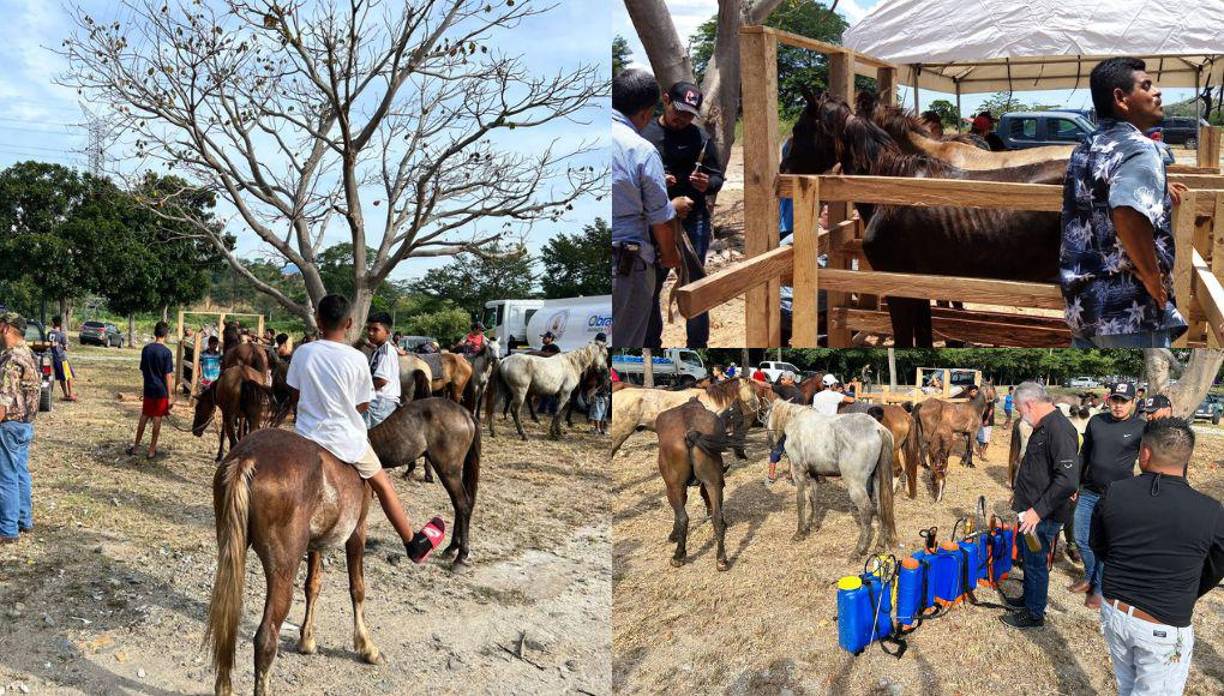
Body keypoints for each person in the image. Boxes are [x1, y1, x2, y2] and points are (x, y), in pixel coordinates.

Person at [286, 295, 441, 563]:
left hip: (306, 437)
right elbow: (363, 404)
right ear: (348, 323)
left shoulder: (303, 352)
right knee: (383, 485)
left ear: (318, 321)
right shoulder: (357, 358)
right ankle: (412, 543)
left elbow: (294, 394)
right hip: (346, 440)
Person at [1091, 417, 1224, 696]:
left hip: (1115, 611)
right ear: (1186, 458)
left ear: (1145, 453)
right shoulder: (1211, 512)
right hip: (1162, 624)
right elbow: (1217, 565)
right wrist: (1185, 590)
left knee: (1127, 685)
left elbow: (1099, 546)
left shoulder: (1114, 492)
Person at [1062, 58, 1189, 348]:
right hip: (1130, 308)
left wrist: (1155, 186)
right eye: (1146, 86)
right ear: (1121, 99)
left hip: (1085, 307)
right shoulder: (1141, 149)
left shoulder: (1087, 147)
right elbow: (1127, 212)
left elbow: (1100, 191)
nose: (1157, 92)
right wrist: (1153, 278)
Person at [612, 68, 692, 347]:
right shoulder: (640, 149)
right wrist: (671, 256)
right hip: (627, 262)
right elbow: (660, 218)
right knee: (626, 342)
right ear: (648, 112)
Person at [641, 81, 724, 348]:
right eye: (679, 112)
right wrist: (655, 181)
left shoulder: (700, 138)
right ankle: (651, 343)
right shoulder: (645, 135)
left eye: (689, 114)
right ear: (665, 100)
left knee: (696, 284)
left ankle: (697, 345)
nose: (683, 119)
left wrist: (707, 184)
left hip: (694, 219)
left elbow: (717, 177)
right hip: (656, 220)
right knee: (652, 285)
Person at [1002, 382, 1081, 629]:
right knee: (1029, 558)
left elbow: (1067, 480)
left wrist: (1036, 511)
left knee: (1036, 562)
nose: (1017, 413)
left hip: (1043, 514)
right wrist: (1020, 496)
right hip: (1032, 509)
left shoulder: (1058, 429)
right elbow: (1038, 469)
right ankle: (1029, 598)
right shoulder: (1044, 426)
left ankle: (1034, 613)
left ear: (1029, 404)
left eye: (1017, 408)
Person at [1069, 381, 1143, 609]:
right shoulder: (1096, 421)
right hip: (1090, 490)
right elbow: (1084, 455)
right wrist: (1075, 483)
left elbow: (1151, 459)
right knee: (1081, 538)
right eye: (1115, 400)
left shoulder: (1141, 427)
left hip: (1117, 497)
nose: (1118, 406)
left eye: (1124, 401)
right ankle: (1090, 576)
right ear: (1109, 400)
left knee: (1106, 544)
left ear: (1132, 403)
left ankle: (1100, 588)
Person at [0, 312, 40, 544]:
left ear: (5, 328)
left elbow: (3, 402)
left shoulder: (10, 359)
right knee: (21, 473)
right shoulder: (30, 354)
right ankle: (24, 519)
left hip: (9, 424)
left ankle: (7, 528)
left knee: (6, 477)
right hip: (25, 424)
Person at [128, 321, 175, 460]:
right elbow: (168, 375)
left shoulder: (146, 349)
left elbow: (143, 369)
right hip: (161, 390)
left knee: (145, 415)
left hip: (148, 388)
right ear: (166, 334)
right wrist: (170, 395)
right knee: (157, 418)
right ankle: (152, 449)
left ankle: (136, 447)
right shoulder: (166, 352)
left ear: (155, 333)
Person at [363, 312, 401, 429]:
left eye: (375, 330)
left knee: (356, 429)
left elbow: (381, 381)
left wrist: (361, 391)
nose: (370, 333)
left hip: (381, 401)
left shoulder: (386, 351)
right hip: (380, 399)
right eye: (368, 329)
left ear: (388, 332)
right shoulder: (379, 349)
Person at [47, 315, 77, 402]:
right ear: (60, 324)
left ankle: (65, 394)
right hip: (62, 358)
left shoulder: (49, 334)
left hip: (54, 358)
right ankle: (70, 394)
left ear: (53, 323)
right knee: (68, 376)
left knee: (61, 377)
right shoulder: (61, 335)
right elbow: (66, 348)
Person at [976, 389, 996, 460]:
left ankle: (982, 452)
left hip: (987, 421)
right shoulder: (983, 400)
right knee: (982, 438)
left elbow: (991, 411)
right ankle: (981, 452)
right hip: (983, 420)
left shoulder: (991, 401)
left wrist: (987, 419)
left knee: (985, 439)